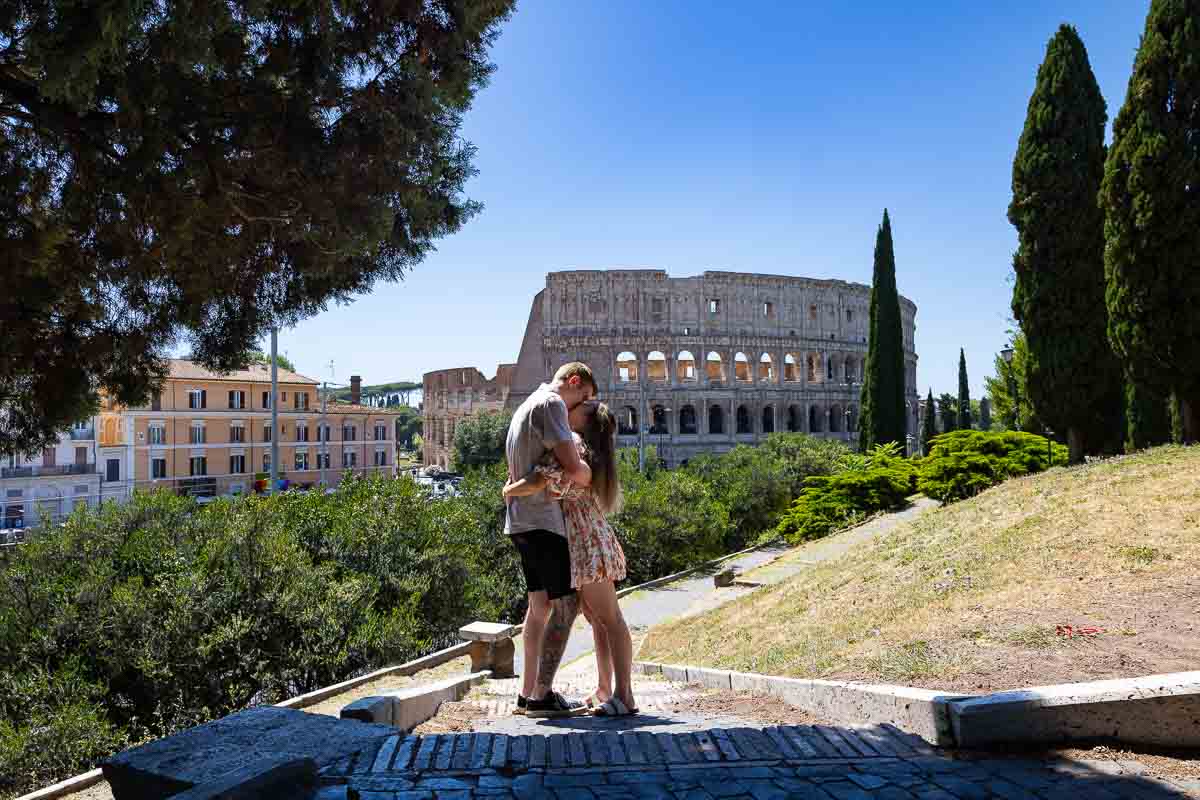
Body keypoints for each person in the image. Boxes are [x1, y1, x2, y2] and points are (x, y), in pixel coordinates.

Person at [504, 400, 638, 717]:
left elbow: (542, 480)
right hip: (586, 544)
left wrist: (510, 490)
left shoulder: (575, 446)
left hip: (587, 545)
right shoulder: (589, 451)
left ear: (584, 422)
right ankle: (607, 689)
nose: (568, 410)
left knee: (611, 619)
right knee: (599, 620)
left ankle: (625, 695)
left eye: (579, 408)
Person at [504, 362, 596, 718]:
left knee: (539, 607)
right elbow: (574, 468)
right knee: (567, 604)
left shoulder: (526, 405)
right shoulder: (552, 404)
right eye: (583, 399)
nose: (580, 409)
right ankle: (542, 695)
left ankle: (527, 693)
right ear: (574, 382)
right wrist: (589, 469)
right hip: (542, 520)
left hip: (520, 521)